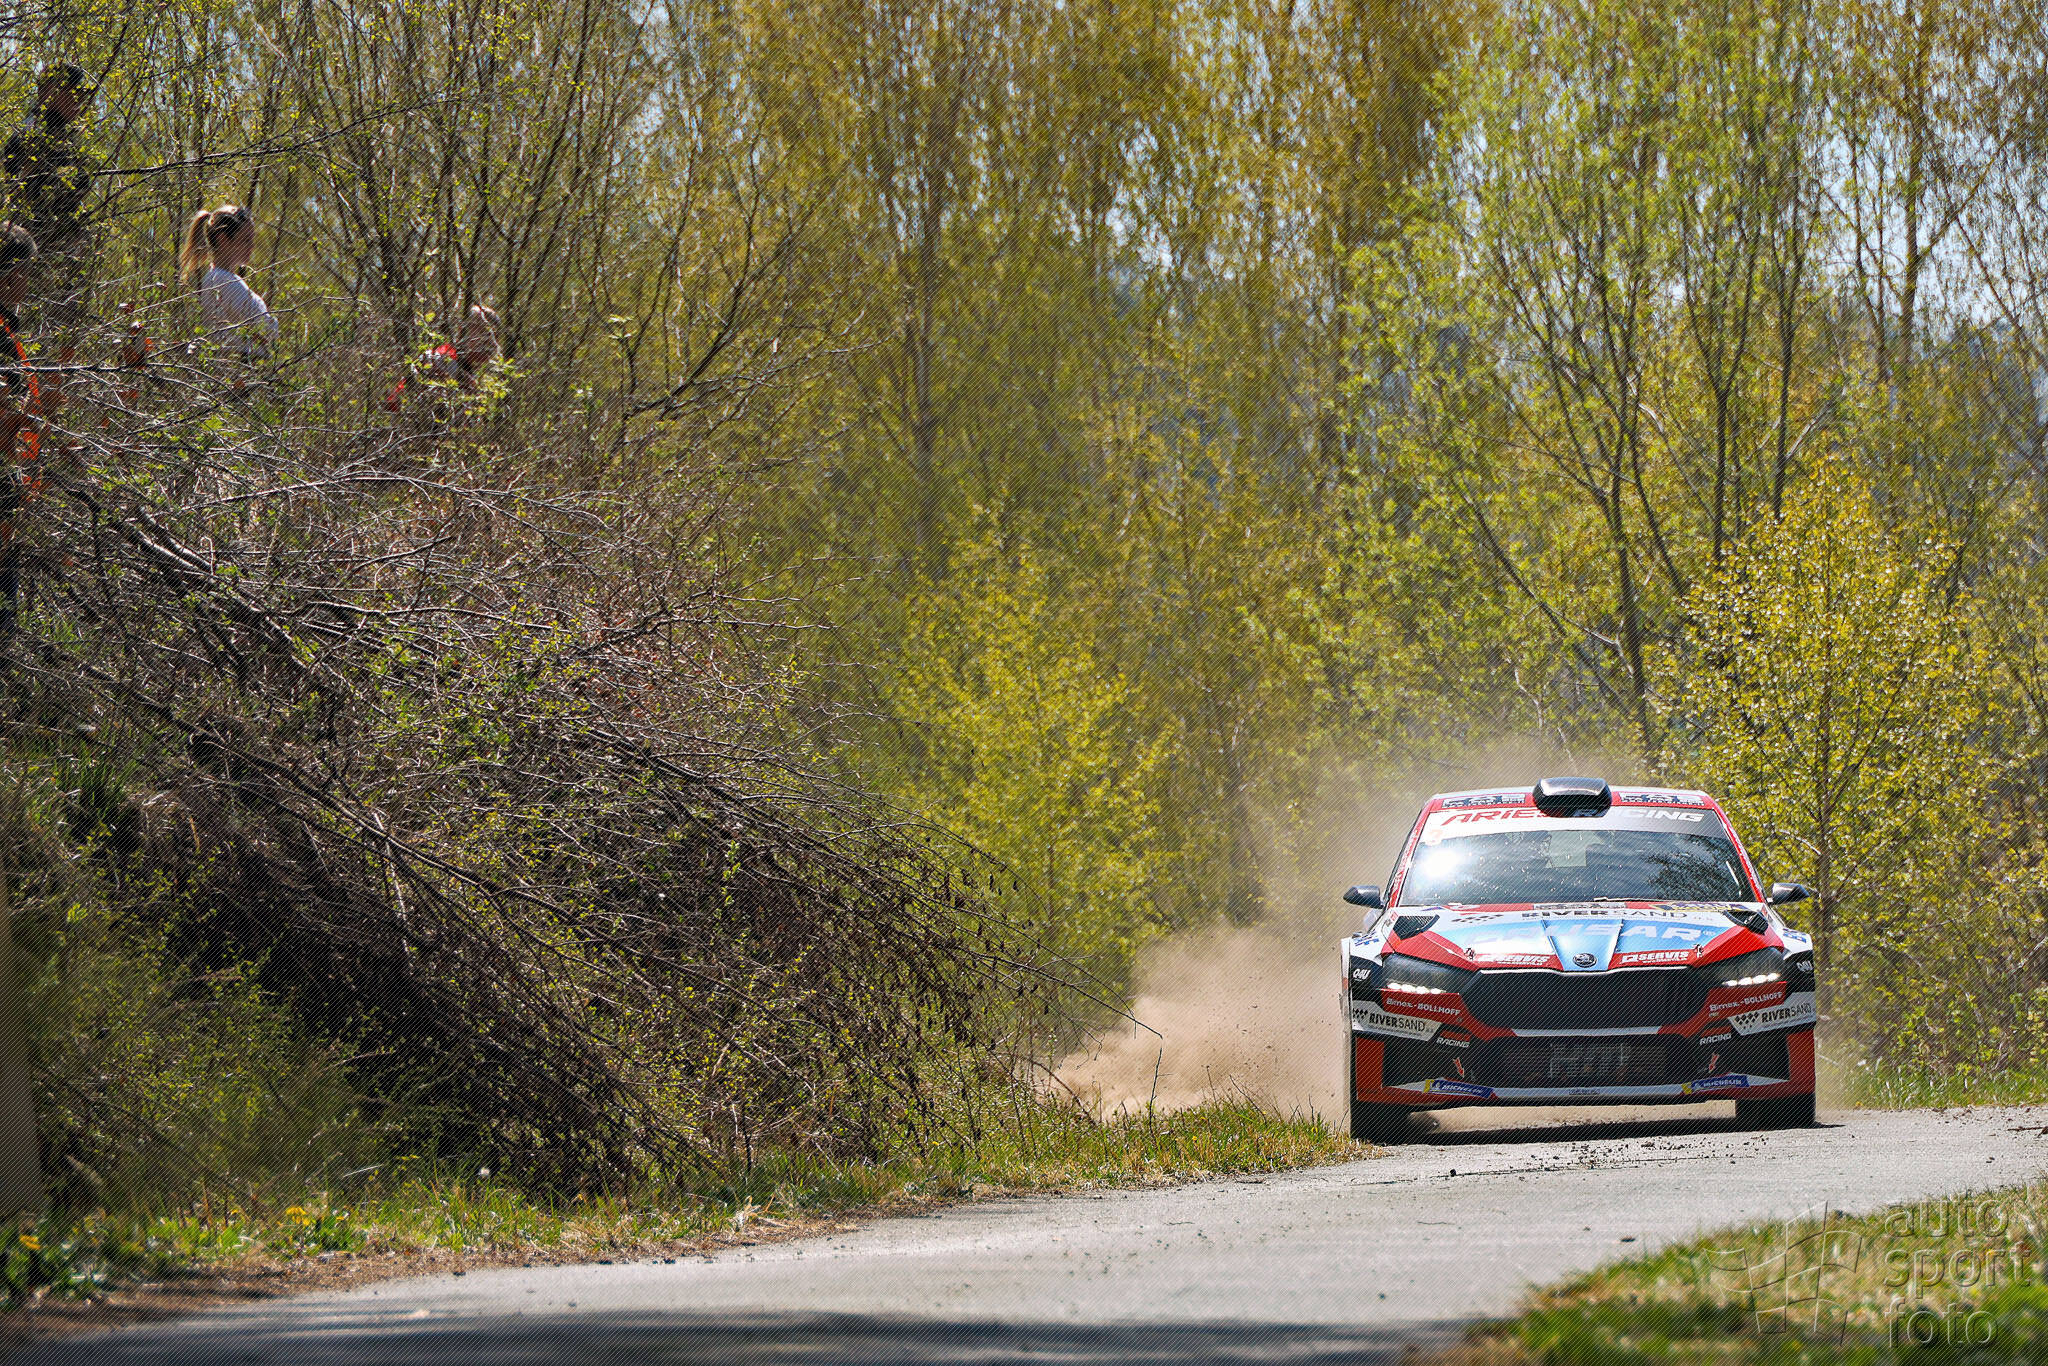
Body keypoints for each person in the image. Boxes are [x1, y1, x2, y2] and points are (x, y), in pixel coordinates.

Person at [5, 65, 97, 325]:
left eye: (82, 95)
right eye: (73, 93)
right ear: (50, 92)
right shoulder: (30, 135)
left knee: (61, 326)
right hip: (34, 256)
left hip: (62, 257)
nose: (80, 102)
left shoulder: (65, 139)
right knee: (30, 327)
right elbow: (21, 191)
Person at [181, 203, 278, 361]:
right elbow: (265, 329)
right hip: (241, 365)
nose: (252, 246)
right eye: (245, 240)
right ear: (223, 239)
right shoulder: (224, 280)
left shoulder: (218, 278)